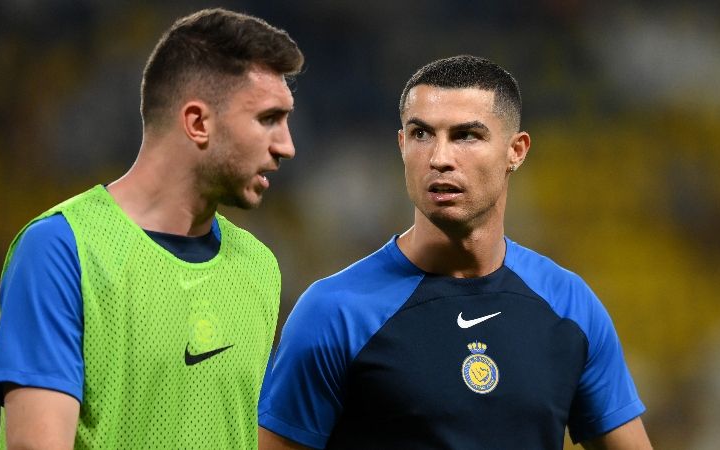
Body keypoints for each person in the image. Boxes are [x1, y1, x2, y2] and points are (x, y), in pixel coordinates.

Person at [258, 55, 652, 449]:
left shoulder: (569, 306)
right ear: (401, 144)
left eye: (466, 135)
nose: (439, 158)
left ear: (516, 150)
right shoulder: (334, 312)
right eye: (421, 134)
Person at [0, 8, 303, 449]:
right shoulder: (63, 249)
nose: (286, 145)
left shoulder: (260, 268)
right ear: (198, 123)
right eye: (268, 119)